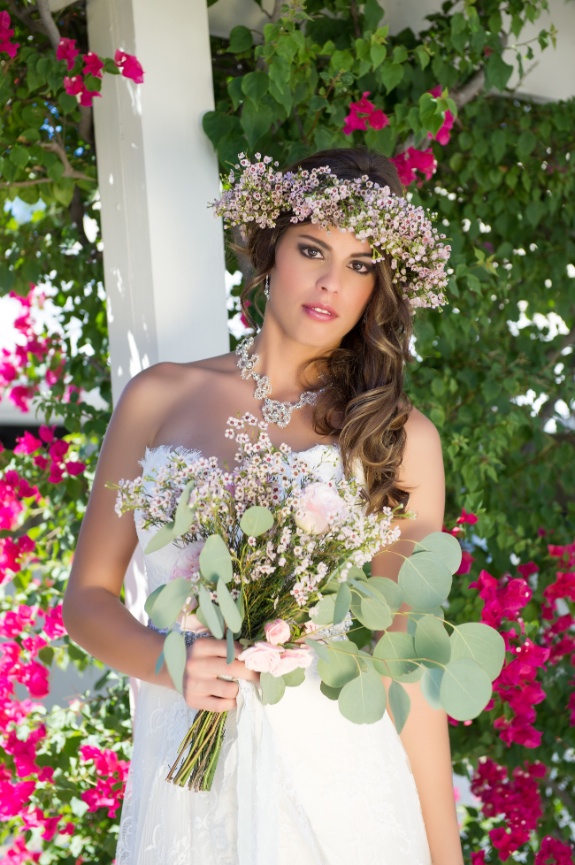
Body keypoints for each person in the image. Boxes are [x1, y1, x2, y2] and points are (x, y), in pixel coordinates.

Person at [63, 147, 463, 865]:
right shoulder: (158, 396)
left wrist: (445, 857)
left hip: (338, 789)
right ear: (269, 246)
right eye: (312, 249)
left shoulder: (399, 438)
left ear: (378, 287)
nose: (331, 282)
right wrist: (169, 660)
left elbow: (409, 666)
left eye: (360, 264)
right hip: (184, 795)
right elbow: (87, 601)